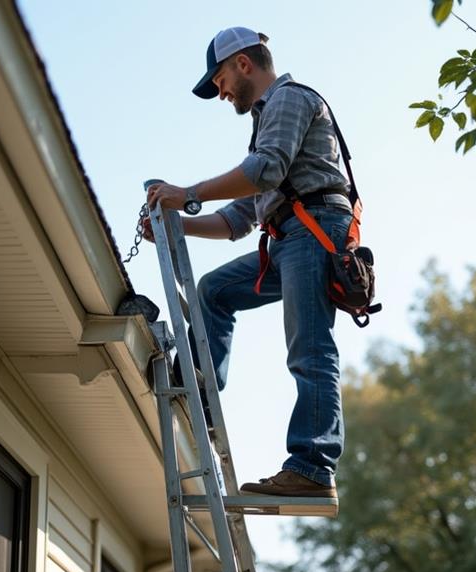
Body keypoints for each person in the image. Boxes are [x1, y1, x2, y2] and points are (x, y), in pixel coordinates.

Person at [144, 27, 353, 499]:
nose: (218, 93)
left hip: (314, 229)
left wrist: (187, 193)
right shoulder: (266, 121)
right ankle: (198, 396)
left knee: (310, 348)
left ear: (243, 64)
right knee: (216, 291)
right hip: (290, 235)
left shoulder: (289, 99)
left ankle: (313, 468)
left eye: (217, 80)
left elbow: (265, 171)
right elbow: (240, 216)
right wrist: (177, 220)